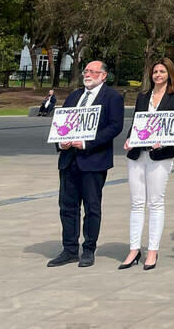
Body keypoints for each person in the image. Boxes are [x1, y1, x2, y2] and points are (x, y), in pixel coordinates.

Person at [48, 61, 125, 268]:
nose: (88, 74)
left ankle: (89, 249)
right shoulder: (74, 96)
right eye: (86, 71)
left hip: (93, 160)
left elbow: (115, 127)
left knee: (92, 207)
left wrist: (86, 143)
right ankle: (69, 249)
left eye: (92, 71)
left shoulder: (112, 97)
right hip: (68, 160)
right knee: (67, 207)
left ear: (104, 75)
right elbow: (61, 125)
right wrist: (60, 142)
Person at [119, 58, 174, 271]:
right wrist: (130, 139)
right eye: (155, 71)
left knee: (155, 202)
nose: (158, 75)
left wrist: (164, 140)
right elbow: (137, 123)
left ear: (169, 74)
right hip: (138, 154)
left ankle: (153, 250)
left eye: (162, 71)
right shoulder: (143, 96)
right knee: (136, 203)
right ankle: (134, 248)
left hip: (161, 156)